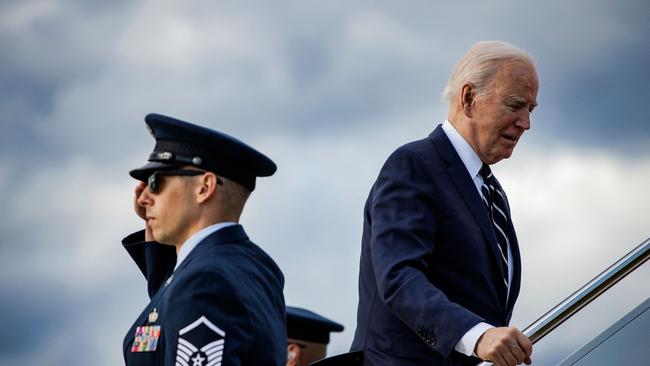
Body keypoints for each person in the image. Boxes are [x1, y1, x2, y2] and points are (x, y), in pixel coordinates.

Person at [349, 41, 539, 366]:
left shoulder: (492, 191)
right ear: (468, 99)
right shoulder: (413, 165)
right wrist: (478, 335)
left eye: (530, 110)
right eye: (515, 104)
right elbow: (399, 277)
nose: (526, 123)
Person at [121, 113, 287, 365]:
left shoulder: (205, 282)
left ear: (204, 187)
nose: (144, 197)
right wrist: (156, 234)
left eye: (156, 183)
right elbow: (173, 308)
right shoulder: (254, 266)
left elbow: (192, 293)